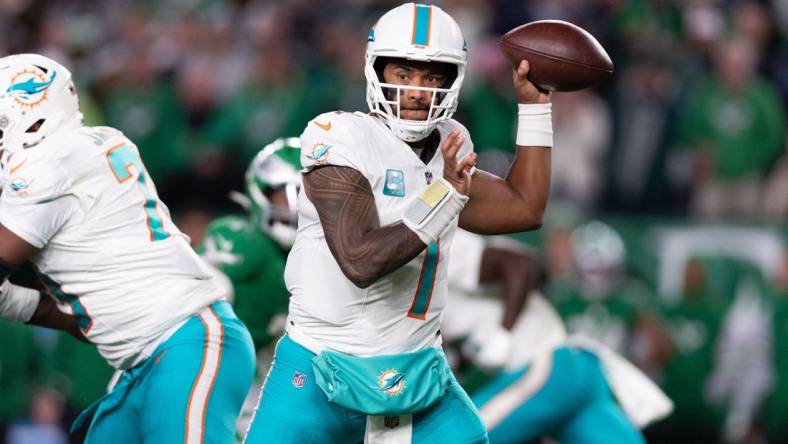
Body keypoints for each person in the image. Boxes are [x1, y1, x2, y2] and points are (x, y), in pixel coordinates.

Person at [244, 3, 553, 443]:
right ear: (375, 70)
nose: (414, 91)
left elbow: (524, 209)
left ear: (453, 81)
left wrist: (535, 110)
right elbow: (361, 259)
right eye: (403, 75)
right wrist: (445, 195)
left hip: (417, 373)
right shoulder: (338, 137)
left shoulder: (449, 143)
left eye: (431, 77)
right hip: (319, 370)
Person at [0, 54, 255, 443]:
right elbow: (76, 321)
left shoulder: (49, 162)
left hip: (186, 344)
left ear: (30, 116)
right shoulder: (96, 143)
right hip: (145, 362)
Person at [442, 229, 671, 444]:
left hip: (544, 368)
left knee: (454, 439)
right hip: (574, 371)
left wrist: (503, 335)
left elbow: (521, 264)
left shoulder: (430, 244)